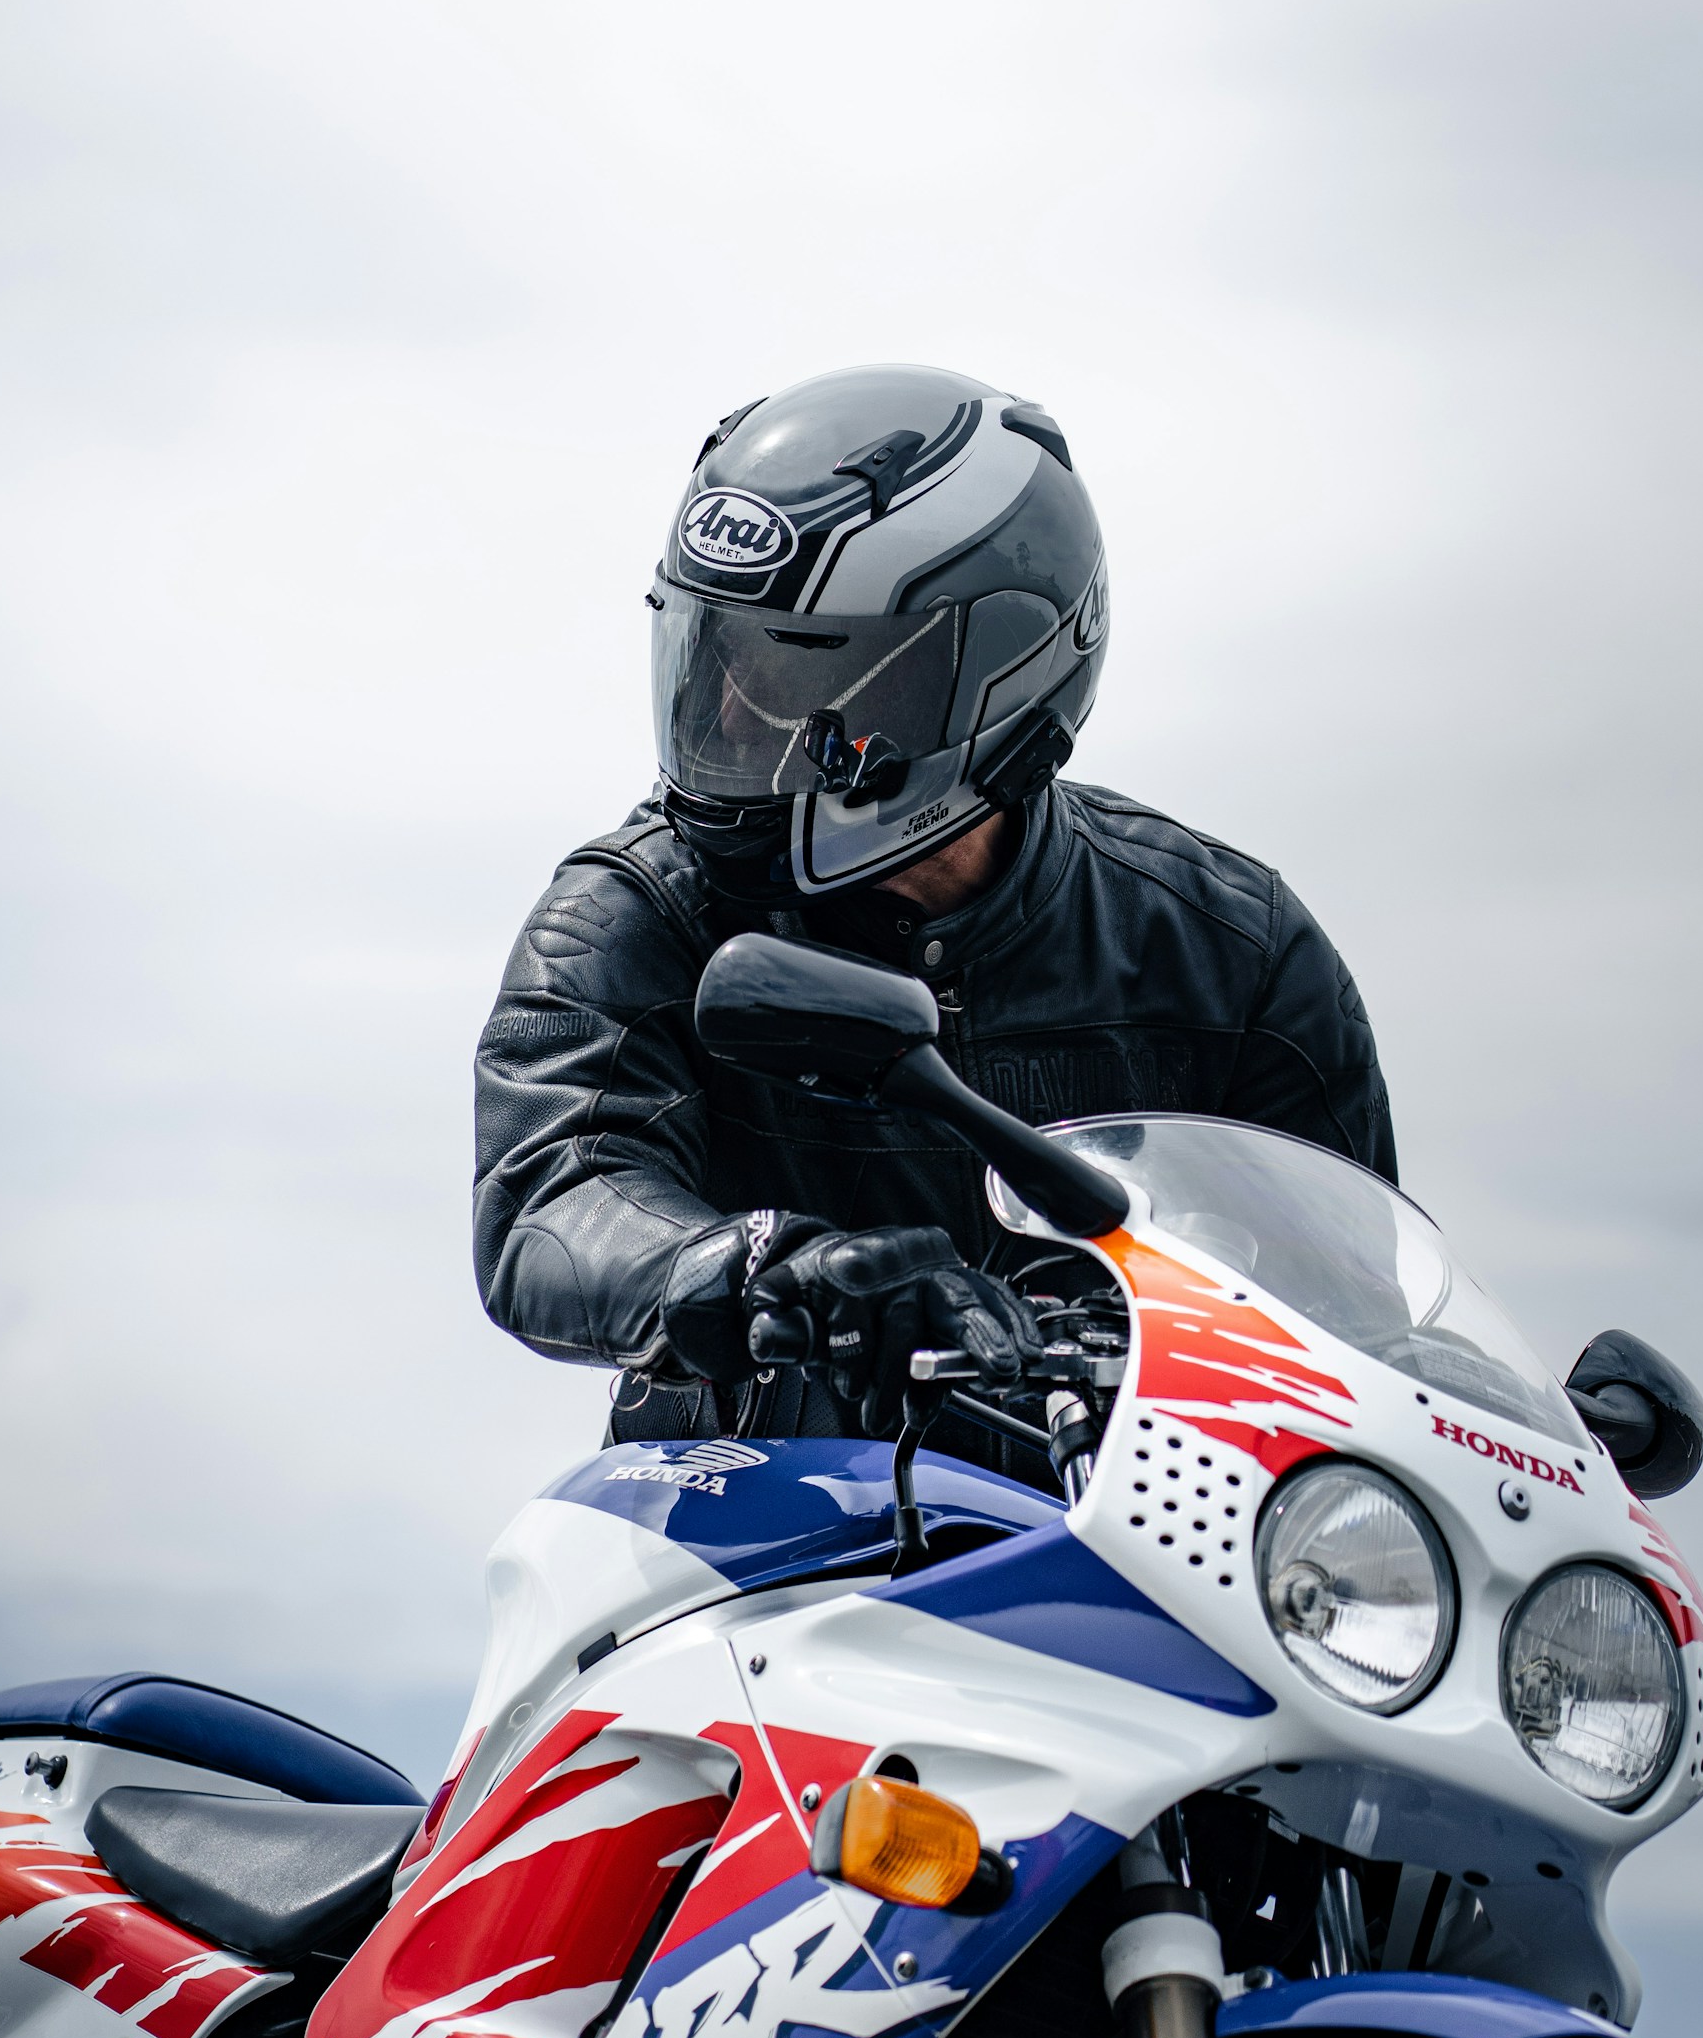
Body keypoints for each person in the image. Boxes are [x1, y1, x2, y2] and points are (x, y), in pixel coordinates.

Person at [473, 364, 1395, 1469]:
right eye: (720, 659)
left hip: (1134, 1570)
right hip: (737, 1546)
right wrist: (764, 1267)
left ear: (1000, 676)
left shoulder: (1234, 952)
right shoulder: (632, 913)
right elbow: (554, 1202)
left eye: (803, 678)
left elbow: (1350, 1317)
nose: (735, 718)